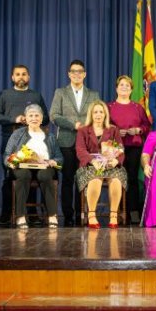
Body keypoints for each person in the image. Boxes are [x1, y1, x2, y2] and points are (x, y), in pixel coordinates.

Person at [0, 64, 49, 226]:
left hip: (33, 142)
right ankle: (6, 214)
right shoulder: (5, 95)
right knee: (10, 177)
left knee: (30, 175)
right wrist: (14, 119)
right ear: (12, 77)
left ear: (29, 77)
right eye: (17, 74)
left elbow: (46, 119)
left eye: (24, 74)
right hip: (10, 140)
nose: (21, 77)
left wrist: (31, 119)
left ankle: (32, 214)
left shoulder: (35, 95)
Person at [49, 60, 100, 226]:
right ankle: (68, 215)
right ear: (69, 74)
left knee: (83, 178)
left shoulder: (93, 94)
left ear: (84, 74)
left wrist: (87, 126)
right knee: (68, 179)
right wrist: (74, 125)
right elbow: (54, 115)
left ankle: (81, 214)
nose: (77, 74)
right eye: (73, 71)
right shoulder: (61, 92)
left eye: (80, 71)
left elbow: (98, 115)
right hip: (66, 141)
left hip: (87, 143)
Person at [4, 104, 63, 229]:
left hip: (44, 166)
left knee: (46, 175)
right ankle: (20, 216)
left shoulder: (50, 137)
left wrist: (53, 161)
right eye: (30, 115)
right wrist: (10, 162)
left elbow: (60, 158)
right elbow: (7, 154)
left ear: (41, 119)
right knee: (24, 175)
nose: (34, 118)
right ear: (25, 118)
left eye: (37, 116)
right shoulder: (17, 134)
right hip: (22, 166)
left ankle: (52, 214)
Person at [75, 100, 127, 229]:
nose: (98, 115)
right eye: (95, 112)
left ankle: (113, 215)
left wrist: (116, 160)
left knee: (115, 180)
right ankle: (91, 215)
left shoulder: (113, 129)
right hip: (91, 165)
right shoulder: (83, 130)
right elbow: (80, 150)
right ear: (91, 114)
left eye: (101, 112)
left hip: (111, 165)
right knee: (95, 180)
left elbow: (121, 149)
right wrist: (93, 161)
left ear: (105, 114)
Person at [107, 75, 151, 223]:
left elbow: (147, 126)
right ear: (116, 88)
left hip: (134, 147)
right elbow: (104, 126)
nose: (124, 88)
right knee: (117, 179)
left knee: (131, 179)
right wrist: (115, 132)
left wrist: (138, 130)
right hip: (115, 148)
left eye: (127, 85)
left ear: (132, 89)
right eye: (121, 85)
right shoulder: (109, 107)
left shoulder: (138, 107)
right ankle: (118, 212)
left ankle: (133, 212)